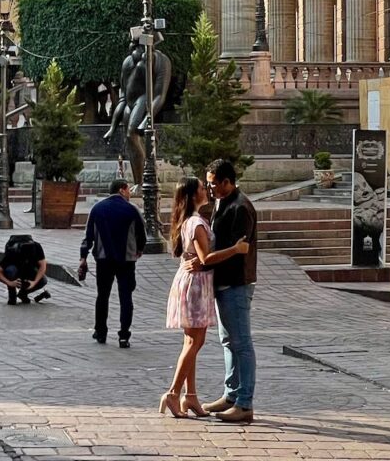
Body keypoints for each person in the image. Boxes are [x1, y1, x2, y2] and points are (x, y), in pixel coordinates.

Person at [159, 176, 250, 419]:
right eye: (201, 187)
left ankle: (190, 397)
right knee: (194, 343)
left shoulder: (188, 220)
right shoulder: (197, 223)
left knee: (191, 343)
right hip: (196, 287)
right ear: (191, 195)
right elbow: (206, 258)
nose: (206, 190)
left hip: (191, 283)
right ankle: (172, 393)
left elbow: (197, 258)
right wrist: (236, 249)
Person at [188, 159, 257, 424]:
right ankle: (231, 394)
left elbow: (238, 250)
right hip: (223, 282)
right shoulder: (221, 202)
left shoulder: (241, 207)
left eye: (214, 183)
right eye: (208, 183)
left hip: (236, 282)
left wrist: (207, 259)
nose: (210, 187)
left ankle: (244, 403)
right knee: (228, 341)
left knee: (242, 343)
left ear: (228, 181)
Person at [78, 178, 146, 348]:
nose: (130, 193)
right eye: (129, 190)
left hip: (103, 259)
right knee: (126, 297)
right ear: (122, 189)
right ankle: (124, 335)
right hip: (127, 260)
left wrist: (83, 257)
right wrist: (138, 250)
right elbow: (141, 234)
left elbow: (88, 236)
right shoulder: (131, 209)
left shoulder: (97, 209)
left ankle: (100, 331)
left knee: (102, 296)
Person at [0, 234, 50, 305]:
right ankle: (12, 295)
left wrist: (34, 282)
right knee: (10, 270)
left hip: (30, 269)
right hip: (15, 272)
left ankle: (23, 293)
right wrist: (10, 283)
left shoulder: (36, 247)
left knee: (43, 280)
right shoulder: (13, 252)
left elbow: (43, 265)